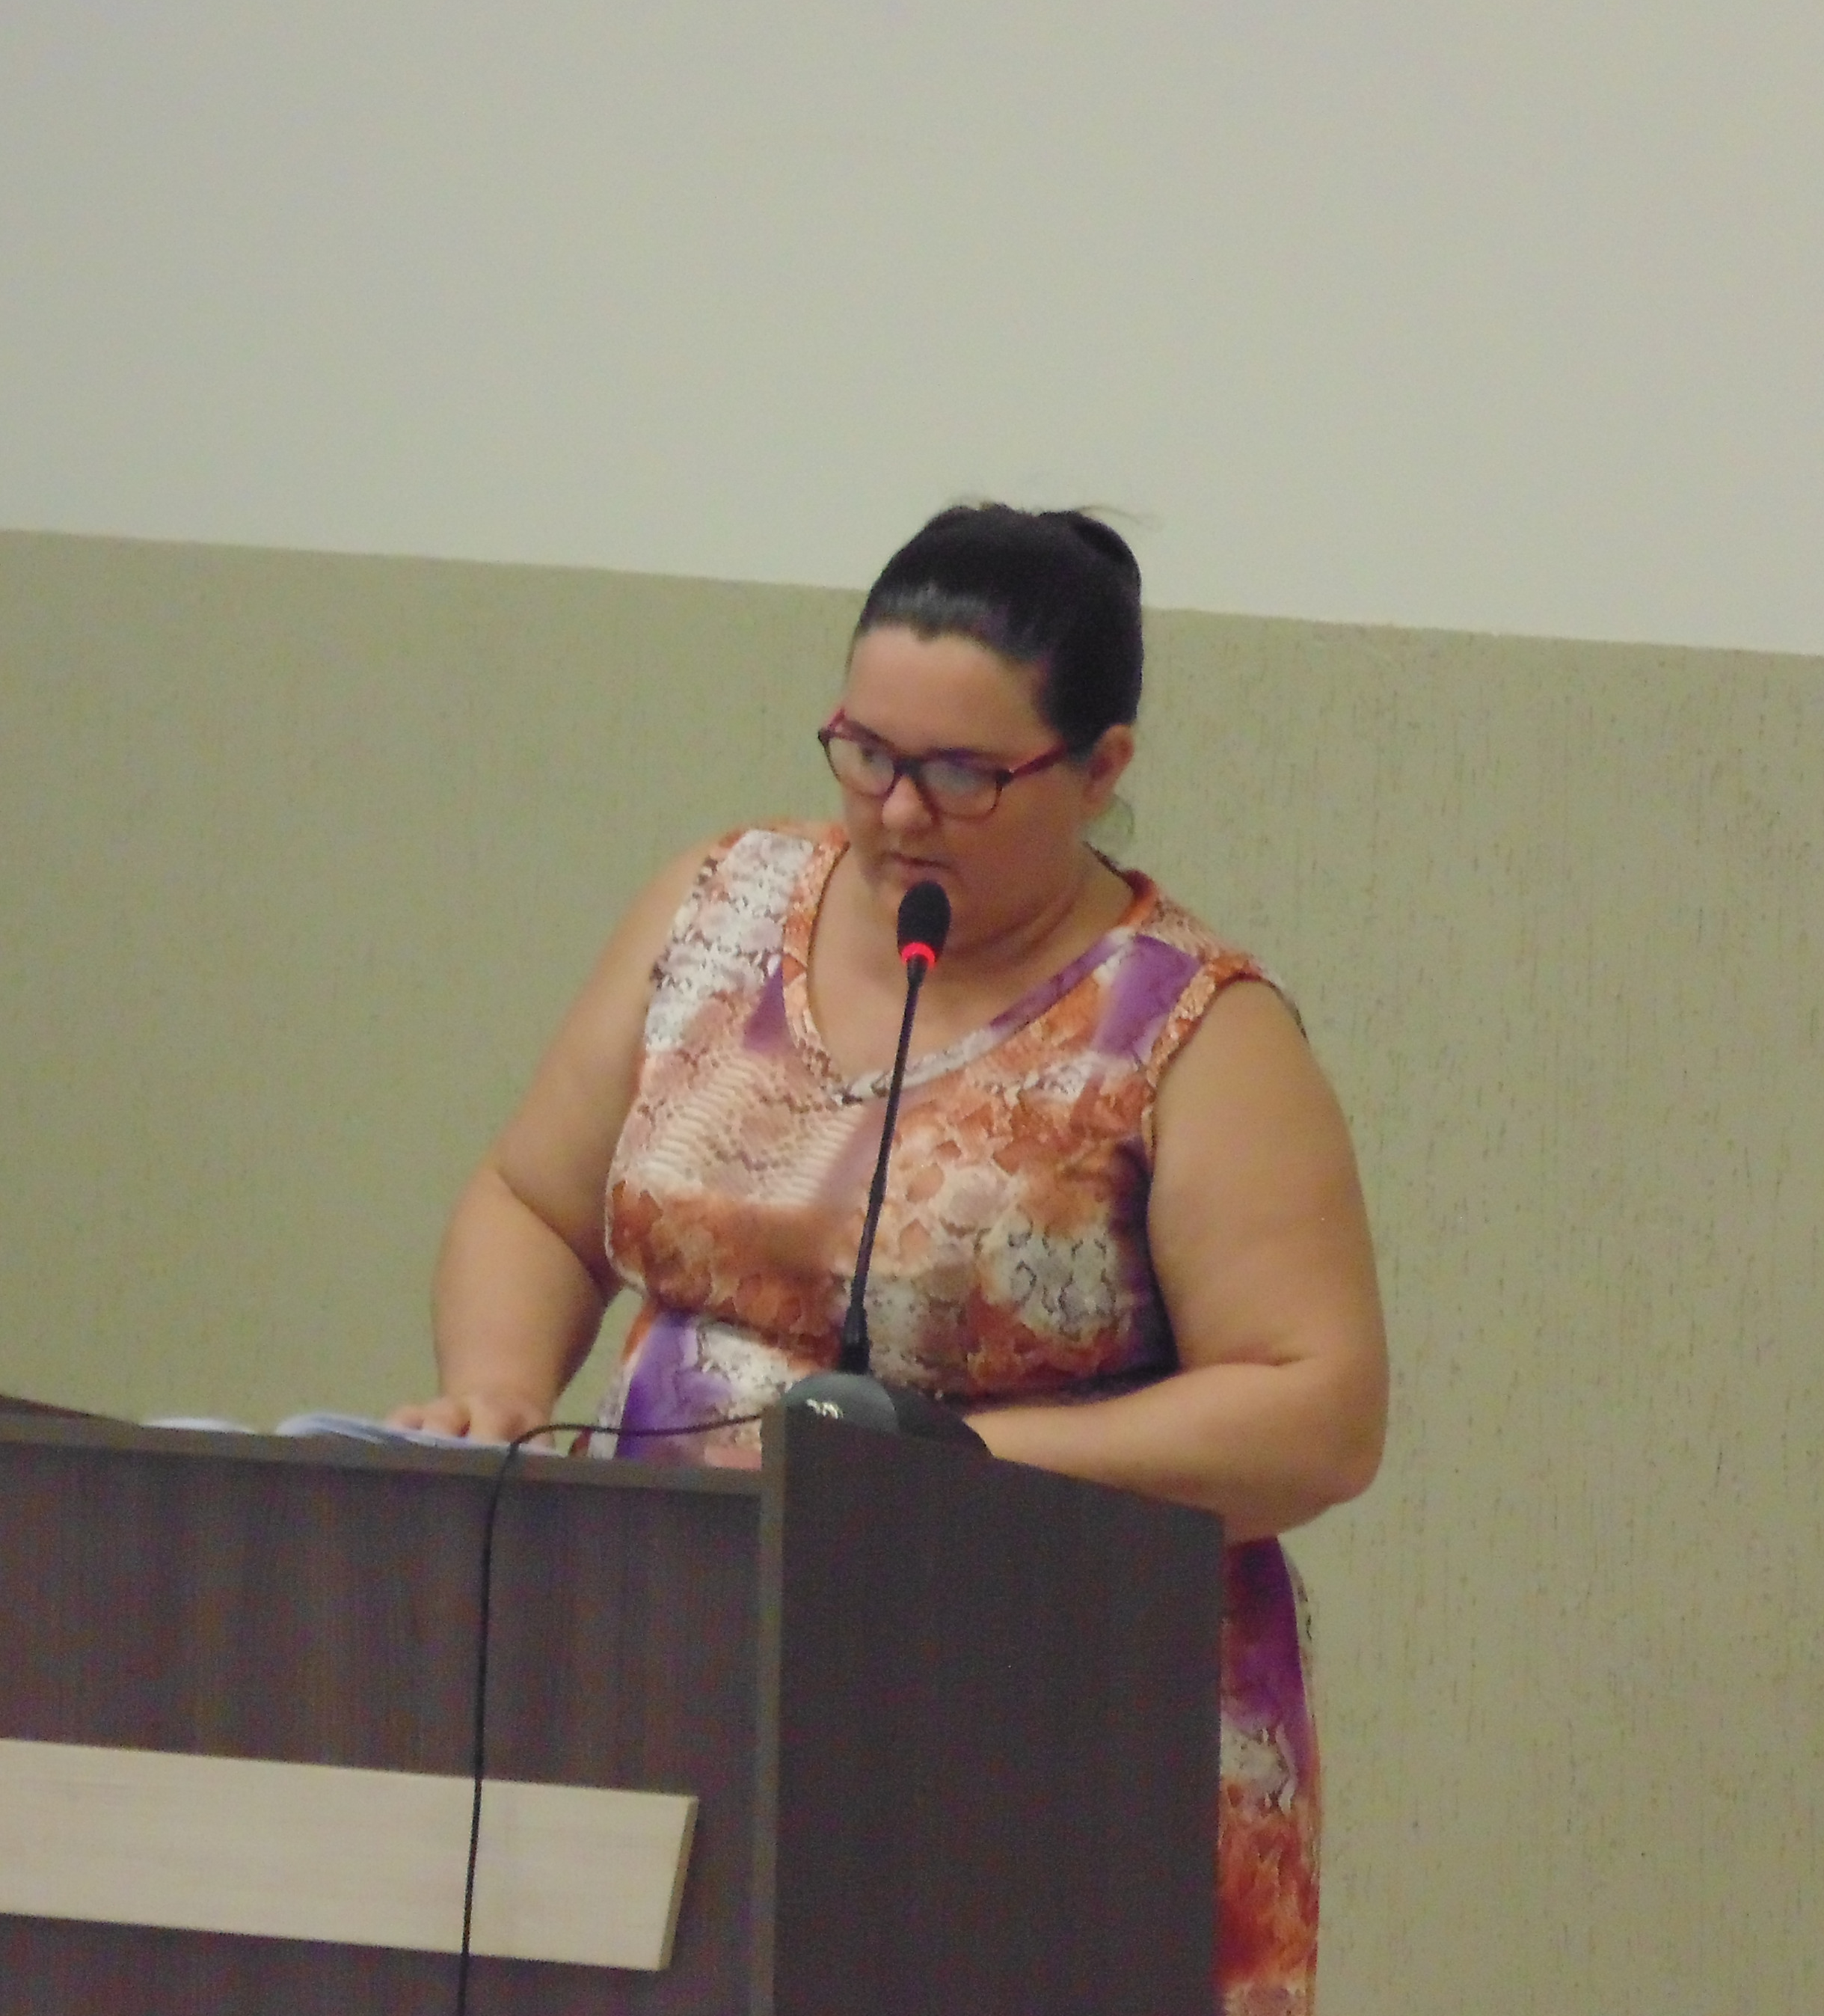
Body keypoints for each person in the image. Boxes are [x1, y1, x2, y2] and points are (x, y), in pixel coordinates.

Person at [391, 501, 1387, 2016]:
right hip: (677, 1655)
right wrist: (497, 1390)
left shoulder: (1190, 1029)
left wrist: (952, 1469)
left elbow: (1316, 1411)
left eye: (962, 775)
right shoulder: (716, 910)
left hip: (1054, 1723)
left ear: (1101, 768)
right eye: (863, 753)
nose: (898, 815)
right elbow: (535, 1203)